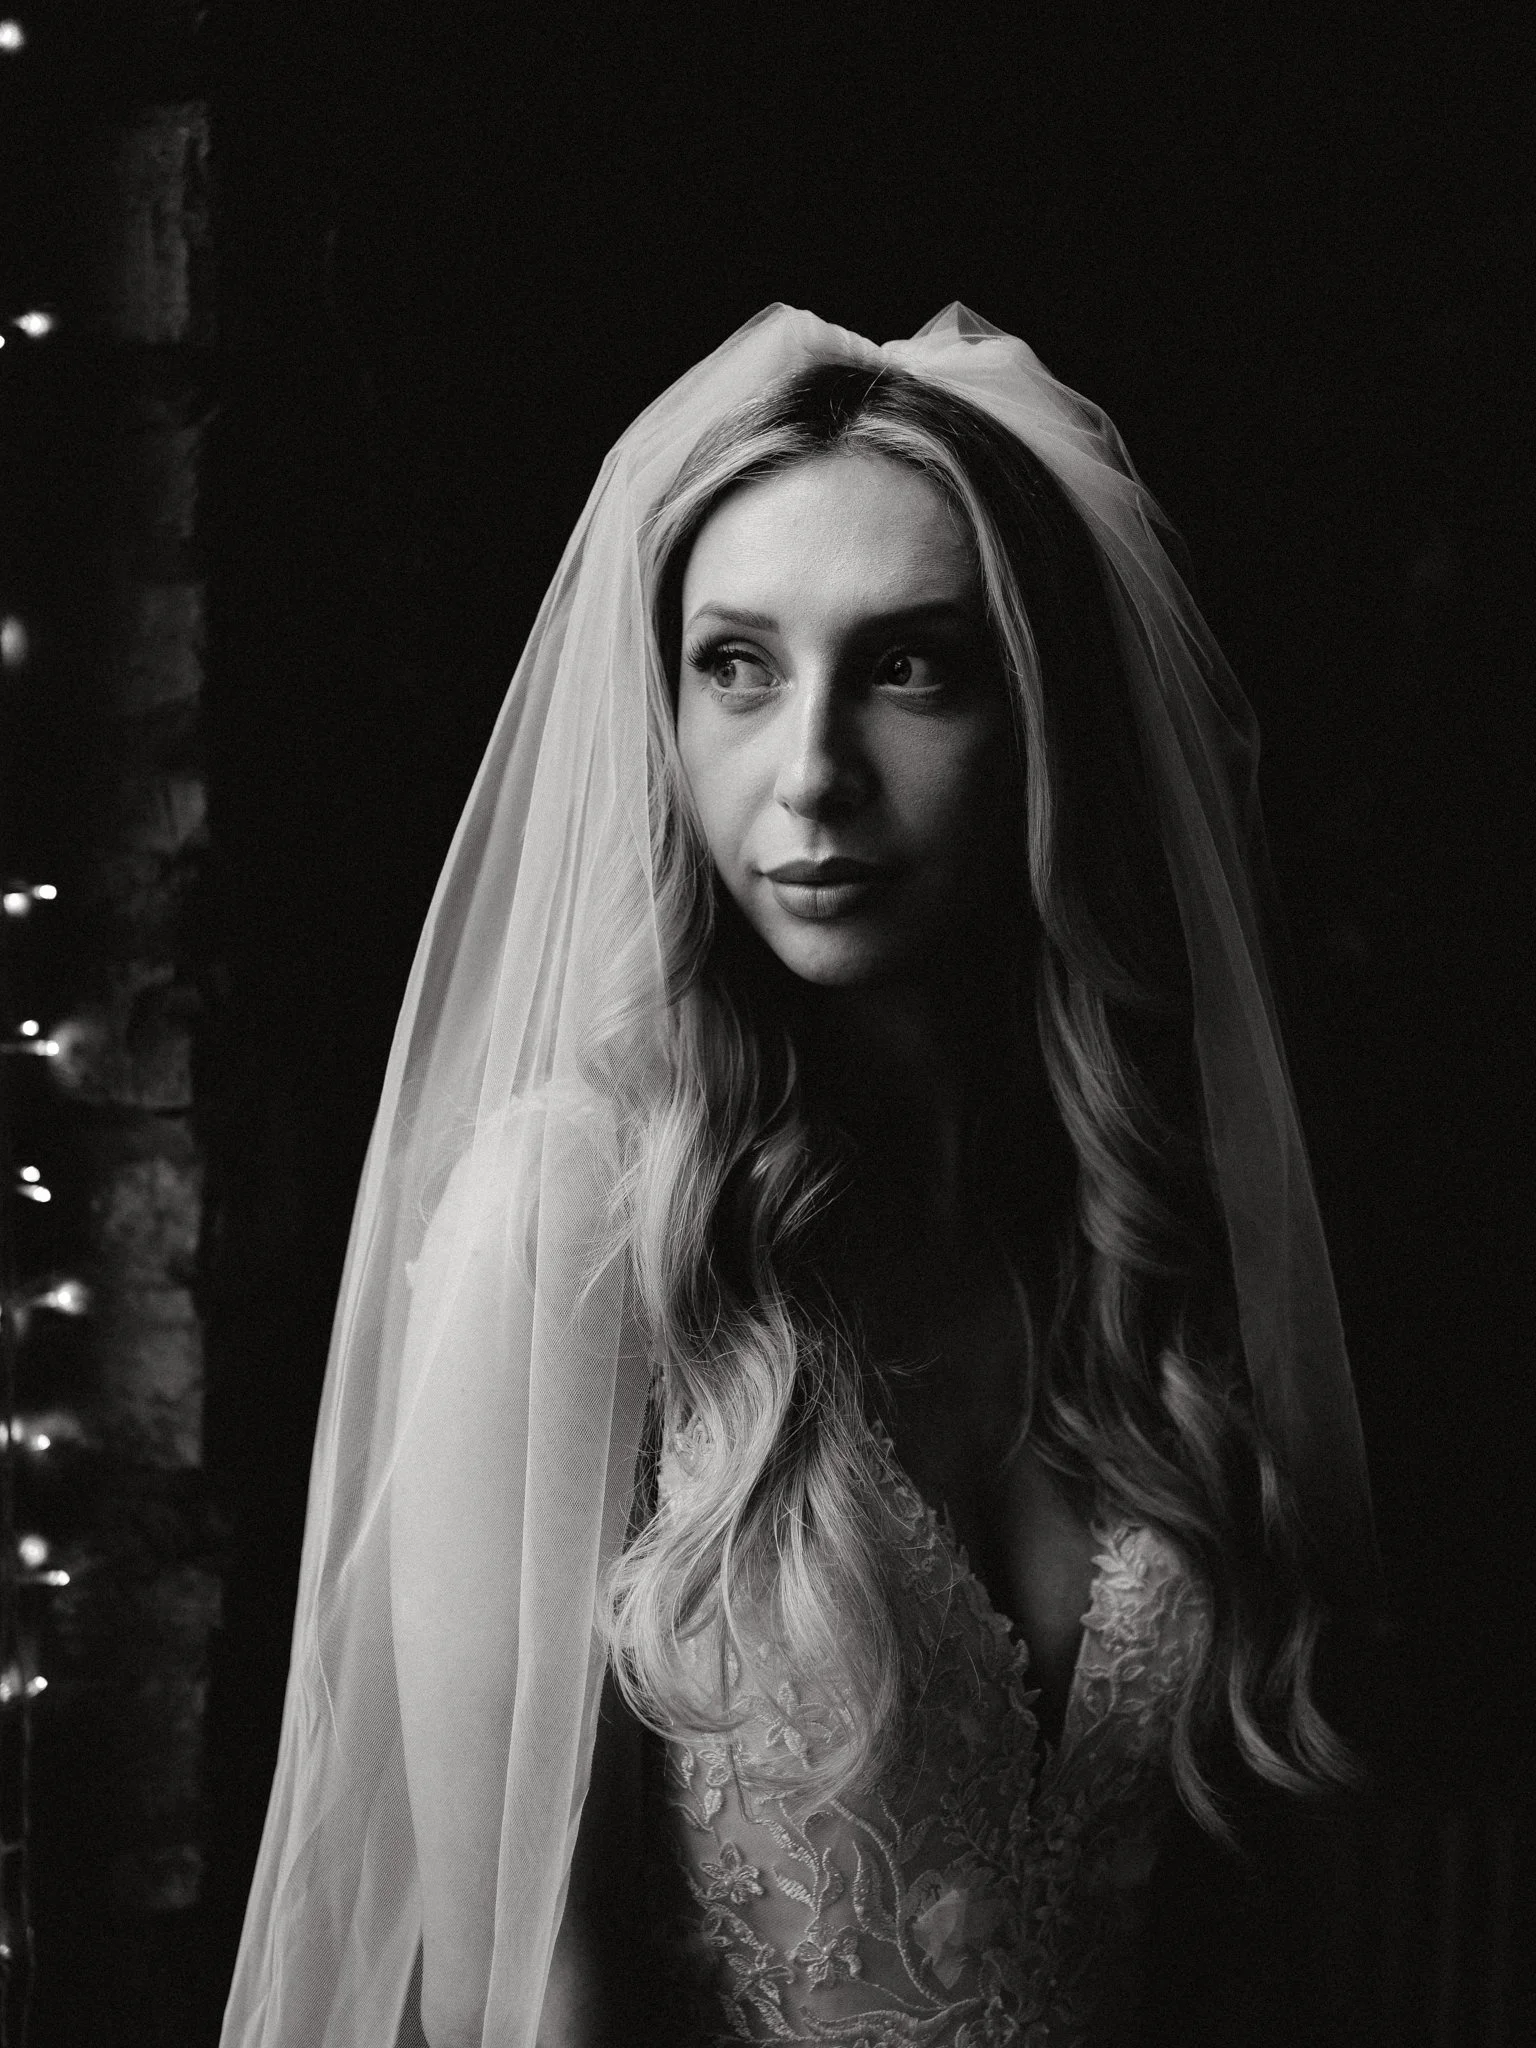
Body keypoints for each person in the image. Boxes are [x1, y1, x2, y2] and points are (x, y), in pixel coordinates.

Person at [220, 307, 1378, 2048]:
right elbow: (527, 1992)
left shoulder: (1132, 1218)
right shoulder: (569, 1221)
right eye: (738, 668)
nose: (814, 773)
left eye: (911, 667)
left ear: (1045, 717)